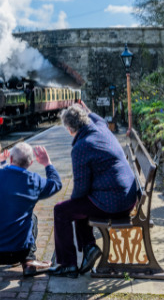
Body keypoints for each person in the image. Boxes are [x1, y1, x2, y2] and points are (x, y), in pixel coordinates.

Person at [49, 102, 138, 278]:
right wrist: (84, 107)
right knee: (80, 206)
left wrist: (72, 203)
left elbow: (80, 190)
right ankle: (89, 247)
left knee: (62, 210)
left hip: (115, 203)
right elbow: (93, 115)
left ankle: (68, 265)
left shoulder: (81, 147)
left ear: (69, 128)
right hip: (127, 196)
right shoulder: (100, 126)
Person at [0, 142, 61, 278]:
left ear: (10, 159)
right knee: (31, 217)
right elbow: (56, 184)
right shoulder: (34, 181)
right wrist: (47, 163)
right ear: (31, 163)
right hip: (20, 251)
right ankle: (28, 262)